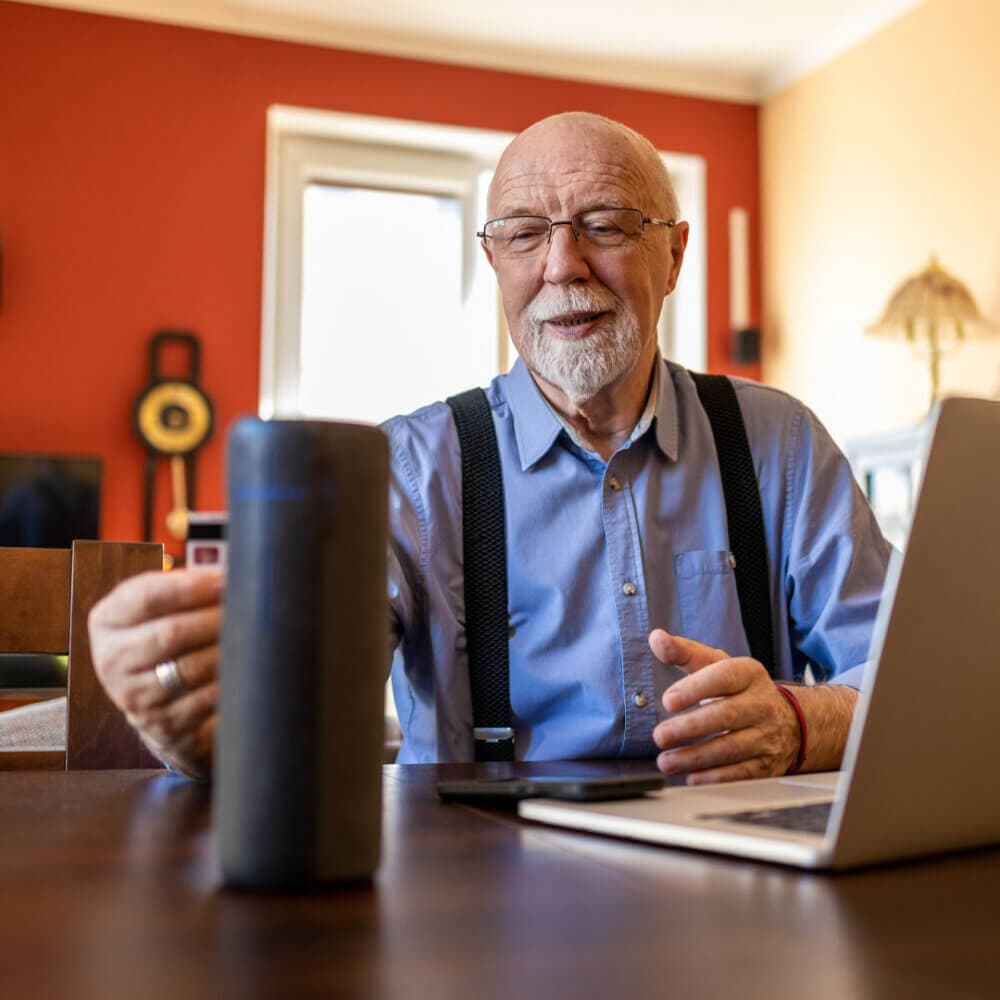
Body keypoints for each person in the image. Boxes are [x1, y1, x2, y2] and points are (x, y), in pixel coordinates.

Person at [88, 112, 891, 782]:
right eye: (522, 234)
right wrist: (192, 724)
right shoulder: (407, 468)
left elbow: (908, 685)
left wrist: (796, 720)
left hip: (743, 886)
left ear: (674, 254)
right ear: (492, 259)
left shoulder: (779, 442)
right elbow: (305, 722)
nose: (561, 266)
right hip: (476, 884)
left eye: (604, 226)